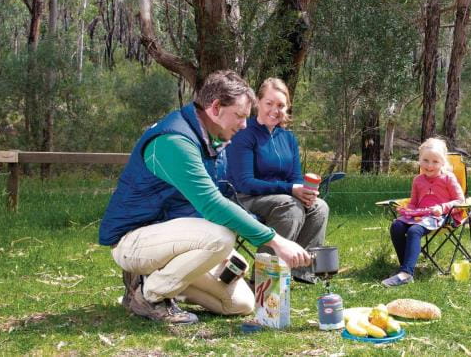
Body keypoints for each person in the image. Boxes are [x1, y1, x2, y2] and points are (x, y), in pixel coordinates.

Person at [99, 70, 311, 324]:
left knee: (241, 304)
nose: (245, 125)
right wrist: (275, 240)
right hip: (134, 240)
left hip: (175, 238)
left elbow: (217, 196)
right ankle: (149, 294)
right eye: (240, 116)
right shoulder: (174, 141)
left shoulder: (214, 140)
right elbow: (211, 204)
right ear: (215, 107)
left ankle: (163, 283)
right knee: (220, 238)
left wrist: (220, 255)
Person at [226, 77, 329, 284]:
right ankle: (263, 276)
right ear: (258, 103)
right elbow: (245, 182)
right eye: (269, 103)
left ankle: (301, 271)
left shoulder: (288, 138)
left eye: (281, 105)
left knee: (319, 207)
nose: (275, 110)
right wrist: (291, 189)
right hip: (245, 197)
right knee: (290, 207)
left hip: (281, 197)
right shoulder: (245, 135)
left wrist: (305, 192)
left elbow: (295, 178)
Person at [382, 137, 465, 287]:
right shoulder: (418, 180)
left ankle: (406, 274)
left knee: (414, 231)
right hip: (420, 215)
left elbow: (460, 202)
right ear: (419, 160)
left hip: (442, 216)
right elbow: (414, 202)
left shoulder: (448, 178)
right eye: (425, 160)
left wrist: (442, 208)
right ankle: (405, 269)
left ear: (443, 163)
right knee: (397, 226)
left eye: (435, 161)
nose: (430, 165)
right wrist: (407, 210)